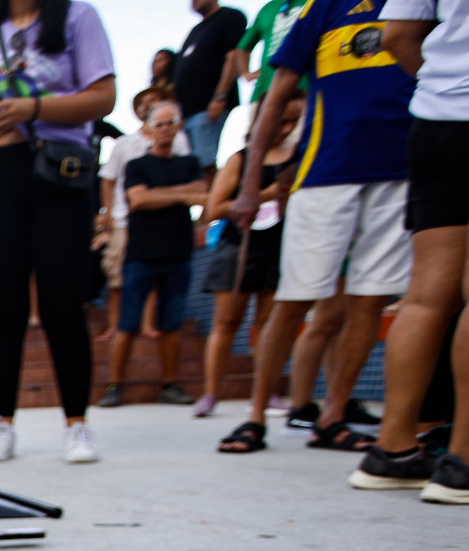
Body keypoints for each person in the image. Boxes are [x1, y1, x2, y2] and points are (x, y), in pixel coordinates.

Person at [220, 0, 416, 453]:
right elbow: (275, 96)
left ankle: (332, 416)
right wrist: (251, 185)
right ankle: (254, 415)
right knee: (294, 298)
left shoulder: (421, 5)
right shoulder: (324, 6)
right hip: (324, 171)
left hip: (399, 173)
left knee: (369, 301)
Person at [0, 0, 117, 464]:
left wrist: (34, 106)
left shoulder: (78, 17)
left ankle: (77, 423)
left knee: (63, 301)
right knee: (4, 305)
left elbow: (104, 97)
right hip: (1, 170)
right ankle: (2, 422)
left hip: (60, 169)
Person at [349, 0, 469, 501]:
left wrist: (446, 89)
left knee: (424, 295)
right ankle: (462, 461)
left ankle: (392, 451)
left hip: (433, 117)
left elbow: (397, 35)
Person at [193, 97, 297, 417]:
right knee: (226, 322)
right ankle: (211, 392)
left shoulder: (298, 157)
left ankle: (265, 391)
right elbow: (214, 207)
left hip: (278, 246)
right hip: (237, 247)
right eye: (280, 119)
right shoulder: (241, 159)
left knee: (268, 324)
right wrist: (266, 193)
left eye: (293, 120)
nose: (286, 128)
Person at [98, 100, 206, 406]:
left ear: (179, 125)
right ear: (148, 128)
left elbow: (201, 195)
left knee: (171, 323)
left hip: (178, 253)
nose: (165, 129)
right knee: (127, 323)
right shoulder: (137, 165)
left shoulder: (189, 163)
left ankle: (170, 384)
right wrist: (179, 195)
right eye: (158, 124)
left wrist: (158, 195)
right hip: (141, 253)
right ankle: (114, 386)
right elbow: (138, 201)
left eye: (171, 122)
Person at [96, 88, 191, 343]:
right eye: (142, 103)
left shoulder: (179, 140)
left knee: (154, 273)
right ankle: (114, 325)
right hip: (124, 218)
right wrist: (107, 213)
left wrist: (155, 197)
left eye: (152, 101)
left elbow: (190, 179)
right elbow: (107, 179)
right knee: (117, 276)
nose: (147, 105)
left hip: (164, 222)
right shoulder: (124, 144)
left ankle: (148, 324)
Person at [174, 0, 249, 176]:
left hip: (207, 108)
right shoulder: (195, 31)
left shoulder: (230, 17)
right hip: (186, 115)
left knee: (205, 162)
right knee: (191, 167)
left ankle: (215, 201)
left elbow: (232, 57)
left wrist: (220, 96)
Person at [235, 0, 306, 103]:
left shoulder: (315, 3)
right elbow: (243, 47)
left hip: (304, 88)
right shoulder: (268, 8)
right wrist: (246, 73)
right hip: (264, 92)